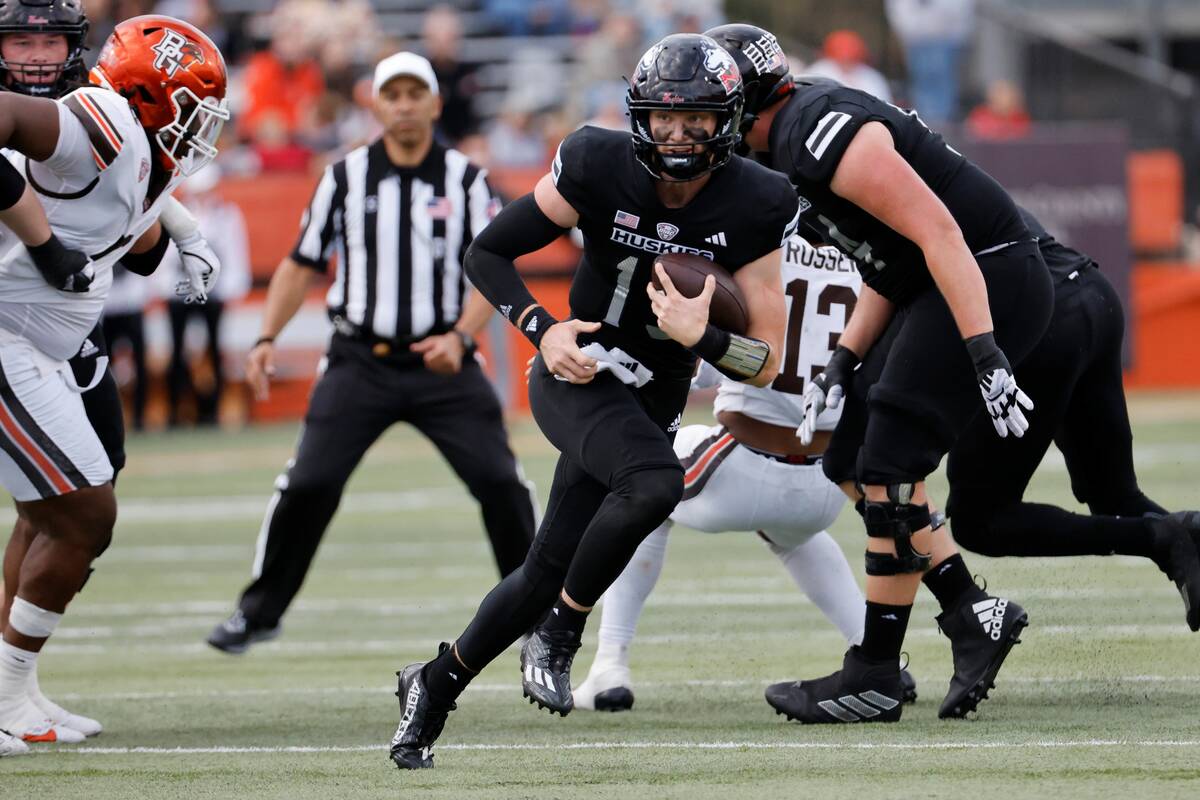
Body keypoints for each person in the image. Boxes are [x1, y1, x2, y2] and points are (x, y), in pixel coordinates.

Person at [388, 33, 800, 770]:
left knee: (546, 564)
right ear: (638, 115)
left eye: (696, 119)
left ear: (728, 120)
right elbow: (487, 252)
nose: (678, 135)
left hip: (657, 388)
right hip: (578, 371)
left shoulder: (759, 197)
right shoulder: (595, 162)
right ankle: (562, 631)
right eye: (664, 118)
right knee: (655, 484)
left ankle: (433, 684)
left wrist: (704, 338)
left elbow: (767, 363)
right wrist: (541, 331)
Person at [707, 23, 1050, 723]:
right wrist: (843, 358)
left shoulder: (816, 129)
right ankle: (968, 611)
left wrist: (984, 350)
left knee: (891, 463)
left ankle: (875, 673)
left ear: (742, 105)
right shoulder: (793, 144)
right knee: (852, 458)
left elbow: (940, 234)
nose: (698, 130)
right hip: (939, 282)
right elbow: (891, 265)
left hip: (989, 273)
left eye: (707, 112)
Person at [206, 52, 537, 655]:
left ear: (436, 104)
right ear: (376, 104)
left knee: (500, 482)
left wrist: (461, 337)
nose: (405, 105)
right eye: (394, 94)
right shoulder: (344, 176)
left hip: (444, 361)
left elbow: (495, 269)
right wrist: (264, 337)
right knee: (309, 483)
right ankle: (259, 612)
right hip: (360, 359)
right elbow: (302, 262)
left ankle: (534, 616)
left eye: (417, 94)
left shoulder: (466, 179)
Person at [0, 14, 228, 753]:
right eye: (191, 107)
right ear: (149, 92)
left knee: (53, 510)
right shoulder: (99, 120)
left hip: (31, 344)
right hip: (5, 337)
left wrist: (188, 237)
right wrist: (43, 242)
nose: (200, 128)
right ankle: (4, 691)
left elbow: (139, 206)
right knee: (86, 512)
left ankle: (14, 690)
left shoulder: (133, 145)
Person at [573, 235, 917, 711]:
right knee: (792, 534)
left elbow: (712, 370)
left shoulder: (760, 243)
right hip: (829, 479)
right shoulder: (867, 250)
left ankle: (608, 665)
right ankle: (881, 655)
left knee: (639, 485)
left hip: (742, 463)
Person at [946, 208, 1200, 624]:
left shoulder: (877, 192)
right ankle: (1182, 532)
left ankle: (1162, 536)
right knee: (1113, 496)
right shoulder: (936, 167)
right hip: (1091, 293)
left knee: (978, 519)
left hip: (1045, 319)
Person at [162, 165, 251, 427]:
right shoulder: (177, 211)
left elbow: (235, 253)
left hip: (214, 291)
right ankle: (176, 410)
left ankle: (212, 411)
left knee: (214, 350)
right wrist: (168, 287)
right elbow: (168, 257)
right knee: (177, 350)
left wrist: (230, 287)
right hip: (180, 291)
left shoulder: (226, 215)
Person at [805, 30, 892, 103]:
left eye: (851, 58)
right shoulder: (818, 71)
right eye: (842, 58)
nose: (846, 61)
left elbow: (884, 104)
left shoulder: (871, 77)